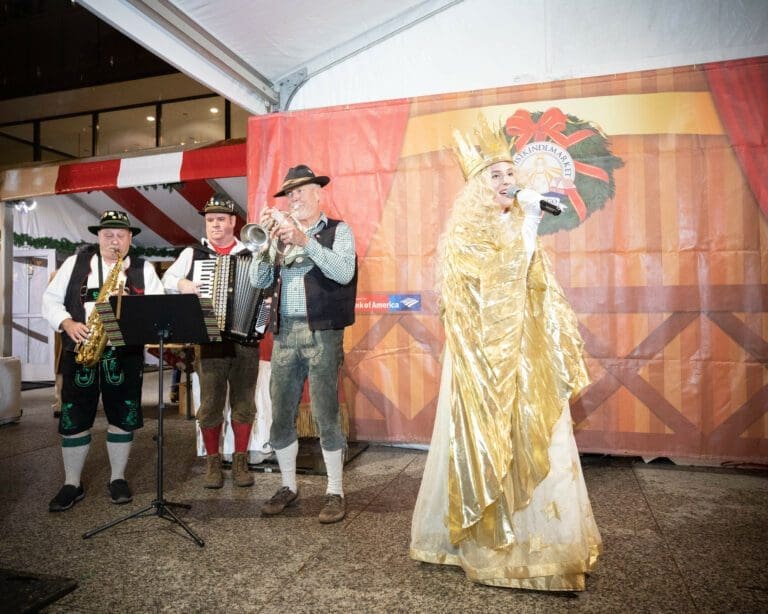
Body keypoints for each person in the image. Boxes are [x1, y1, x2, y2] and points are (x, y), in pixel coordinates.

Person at [409, 121, 602, 590]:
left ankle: (548, 545)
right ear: (476, 186)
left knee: (541, 437)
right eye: (493, 175)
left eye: (509, 173)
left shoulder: (518, 222)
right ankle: (485, 542)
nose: (505, 182)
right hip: (482, 360)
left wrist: (529, 223)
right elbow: (495, 286)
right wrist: (531, 223)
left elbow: (535, 291)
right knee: (483, 440)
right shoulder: (465, 234)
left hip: (523, 352)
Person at [250, 164, 357, 524]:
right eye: (289, 194)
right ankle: (288, 486)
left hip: (322, 332)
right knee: (281, 414)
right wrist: (264, 244)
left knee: (326, 412)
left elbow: (343, 273)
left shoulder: (339, 231)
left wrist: (305, 241)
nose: (293, 199)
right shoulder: (279, 234)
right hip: (282, 333)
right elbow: (258, 280)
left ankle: (335, 491)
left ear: (318, 193)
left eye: (300, 192)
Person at [42, 210, 165, 511]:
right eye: (108, 234)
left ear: (130, 239)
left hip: (123, 354)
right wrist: (67, 323)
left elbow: (158, 308)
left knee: (122, 418)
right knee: (74, 419)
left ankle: (118, 478)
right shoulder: (75, 263)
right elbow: (50, 300)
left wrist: (132, 304)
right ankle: (72, 482)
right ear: (98, 237)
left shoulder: (142, 269)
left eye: (120, 235)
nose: (114, 240)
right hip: (81, 350)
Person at [162, 195, 260, 489]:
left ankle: (240, 462)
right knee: (210, 404)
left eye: (221, 219)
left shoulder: (250, 253)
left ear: (233, 222)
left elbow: (264, 289)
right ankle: (213, 464)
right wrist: (184, 284)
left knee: (244, 403)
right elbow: (168, 280)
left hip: (246, 340)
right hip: (210, 338)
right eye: (210, 220)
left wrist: (262, 312)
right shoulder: (194, 254)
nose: (215, 224)